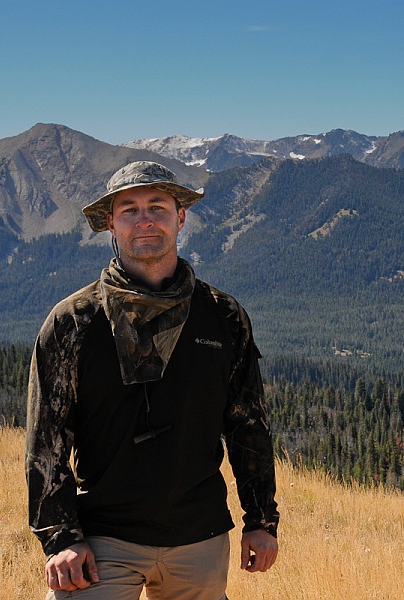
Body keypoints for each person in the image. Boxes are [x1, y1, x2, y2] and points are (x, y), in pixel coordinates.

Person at [26, 161, 279, 599]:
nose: (144, 221)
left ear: (180, 218)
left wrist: (261, 521)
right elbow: (46, 437)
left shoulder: (224, 316)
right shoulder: (74, 321)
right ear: (111, 222)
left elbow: (247, 425)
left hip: (199, 537)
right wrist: (61, 538)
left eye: (157, 207)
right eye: (130, 210)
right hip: (102, 538)